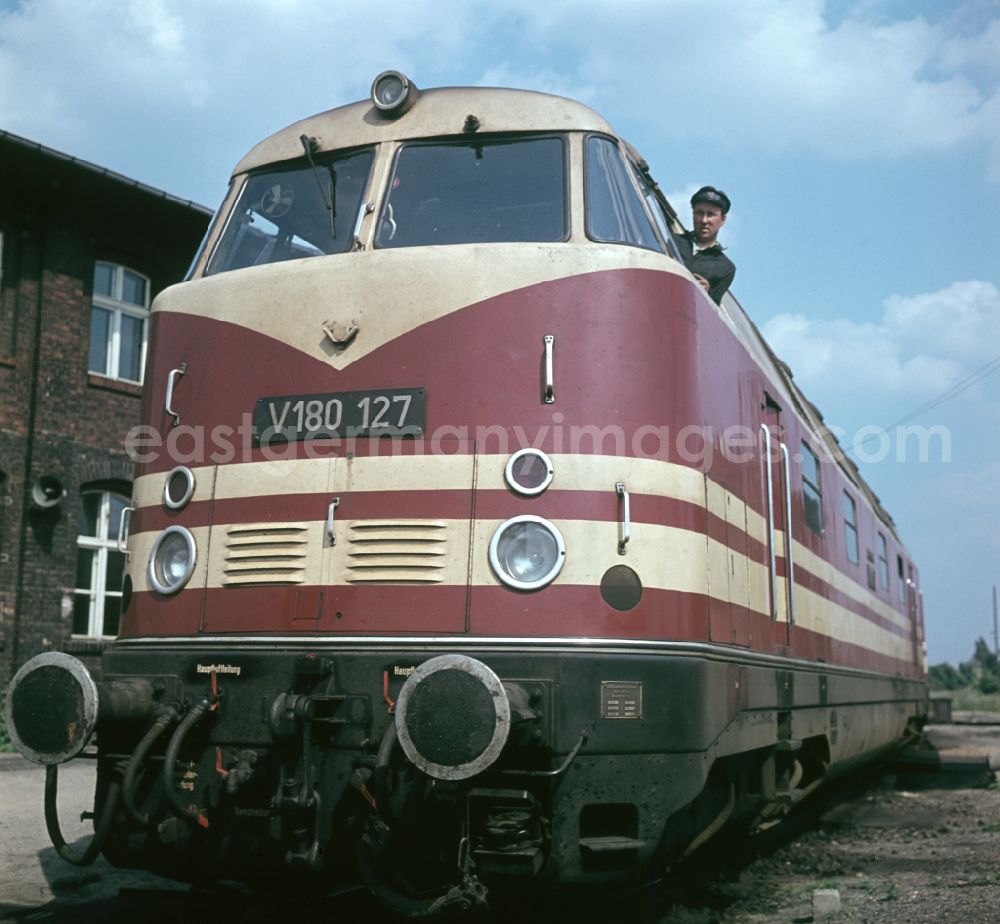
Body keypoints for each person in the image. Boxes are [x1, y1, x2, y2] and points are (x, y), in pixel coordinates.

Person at [675, 186, 735, 304]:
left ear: (722, 219)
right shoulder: (672, 241)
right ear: (693, 215)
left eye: (711, 214)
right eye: (699, 213)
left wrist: (706, 294)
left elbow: (713, 315)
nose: (704, 220)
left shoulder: (726, 268)